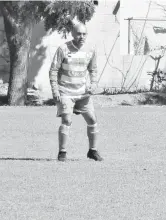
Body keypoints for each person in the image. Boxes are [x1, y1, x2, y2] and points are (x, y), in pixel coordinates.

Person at [49, 23, 103, 162]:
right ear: (72, 34)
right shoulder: (63, 49)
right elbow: (53, 70)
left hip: (83, 93)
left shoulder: (91, 49)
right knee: (66, 119)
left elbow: (93, 69)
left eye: (84, 34)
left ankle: (93, 151)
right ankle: (62, 153)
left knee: (92, 119)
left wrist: (94, 84)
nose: (82, 37)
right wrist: (55, 90)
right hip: (65, 91)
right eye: (79, 34)